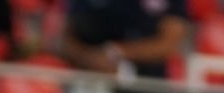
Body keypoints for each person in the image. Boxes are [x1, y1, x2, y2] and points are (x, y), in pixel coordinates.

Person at [61, 0, 189, 79]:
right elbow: (64, 36)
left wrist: (115, 53)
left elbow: (170, 44)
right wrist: (90, 59)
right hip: (87, 79)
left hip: (145, 87)